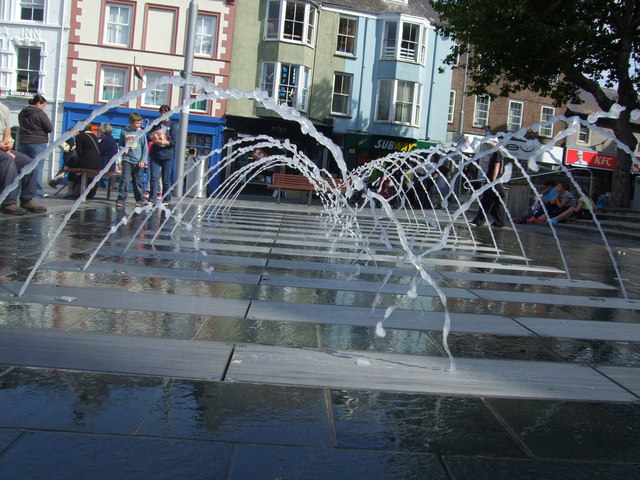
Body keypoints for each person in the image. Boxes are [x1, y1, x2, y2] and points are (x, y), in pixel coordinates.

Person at [0, 102, 46, 214]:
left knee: (29, 163)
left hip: (2, 148)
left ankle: (27, 200)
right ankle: (8, 202)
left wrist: (8, 144)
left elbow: (7, 134)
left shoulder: (4, 109)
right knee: (8, 160)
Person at [18, 94, 52, 197]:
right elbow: (49, 128)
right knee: (37, 168)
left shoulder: (22, 113)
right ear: (38, 103)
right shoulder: (40, 113)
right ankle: (37, 191)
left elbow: (21, 125)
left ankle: (20, 191)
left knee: (23, 168)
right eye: (43, 105)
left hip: (24, 142)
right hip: (38, 142)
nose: (43, 107)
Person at [470, 145, 506, 227]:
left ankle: (479, 221)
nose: (487, 146)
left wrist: (493, 180)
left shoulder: (497, 153)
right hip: (492, 181)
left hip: (492, 182)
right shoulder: (497, 153)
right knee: (494, 204)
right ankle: (500, 222)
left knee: (486, 202)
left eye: (488, 144)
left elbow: (497, 165)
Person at [116, 112, 147, 208]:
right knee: (125, 179)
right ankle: (121, 198)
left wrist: (143, 160)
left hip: (138, 161)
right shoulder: (124, 131)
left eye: (140, 123)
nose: (139, 125)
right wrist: (123, 149)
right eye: (137, 123)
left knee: (137, 181)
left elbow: (145, 148)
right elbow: (120, 144)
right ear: (131, 122)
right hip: (127, 159)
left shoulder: (141, 133)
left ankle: (140, 199)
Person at [148, 105, 176, 205]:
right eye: (161, 112)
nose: (163, 114)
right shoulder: (156, 124)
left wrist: (162, 142)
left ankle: (166, 199)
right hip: (155, 154)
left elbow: (173, 142)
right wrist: (155, 134)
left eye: (165, 112)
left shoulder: (172, 125)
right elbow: (149, 136)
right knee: (154, 177)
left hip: (167, 156)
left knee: (166, 178)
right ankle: (152, 198)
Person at [72, 123, 101, 198]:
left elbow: (79, 152)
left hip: (86, 162)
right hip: (96, 162)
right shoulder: (94, 136)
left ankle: (74, 190)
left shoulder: (80, 136)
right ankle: (88, 191)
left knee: (71, 164)